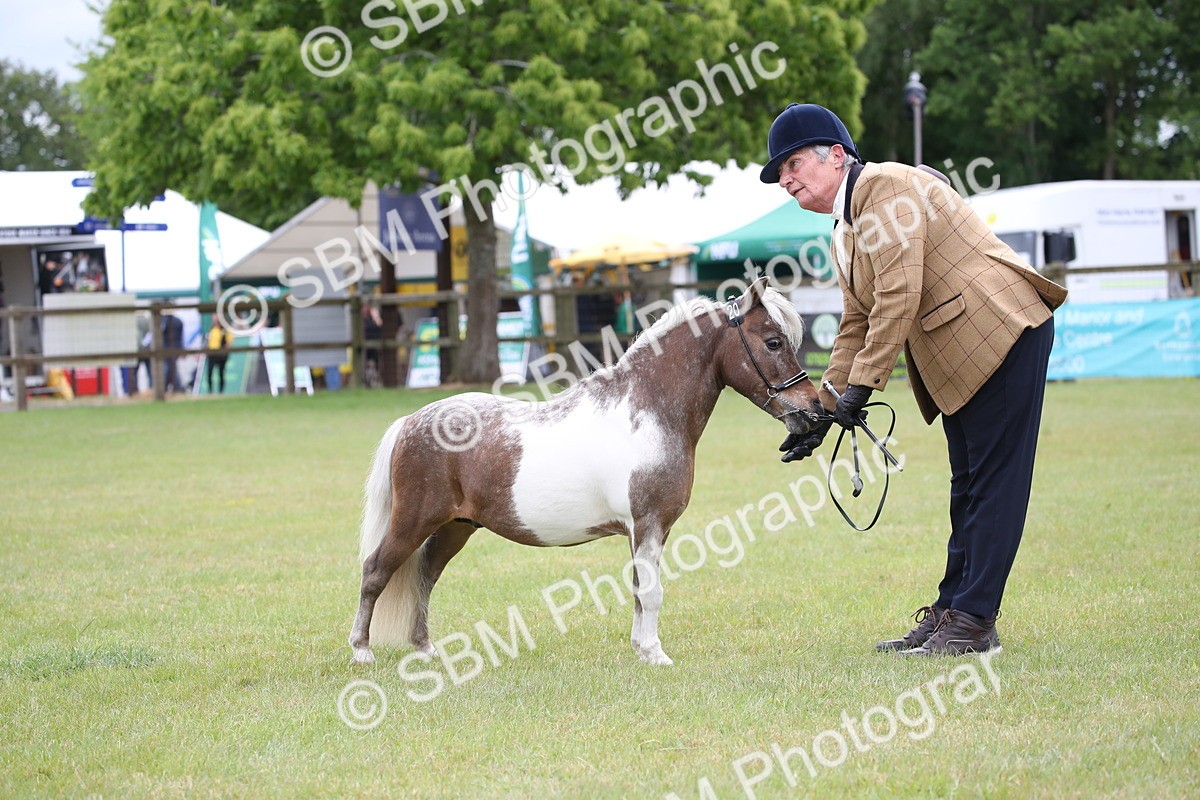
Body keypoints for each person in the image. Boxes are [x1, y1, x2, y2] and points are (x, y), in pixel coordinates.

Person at [762, 103, 1067, 656]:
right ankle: (954, 608)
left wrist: (861, 389)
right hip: (965, 353)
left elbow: (898, 295)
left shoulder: (883, 186)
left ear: (837, 156)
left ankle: (974, 621)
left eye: (793, 163)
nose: (785, 179)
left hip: (1001, 330)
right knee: (967, 485)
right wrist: (823, 410)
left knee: (993, 483)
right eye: (779, 173)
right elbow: (857, 319)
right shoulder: (846, 228)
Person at [205, 318, 233, 394]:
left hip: (221, 355)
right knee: (209, 373)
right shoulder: (212, 328)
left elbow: (229, 342)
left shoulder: (225, 330)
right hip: (212, 353)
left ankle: (221, 392)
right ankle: (210, 391)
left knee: (221, 373)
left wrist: (224, 352)